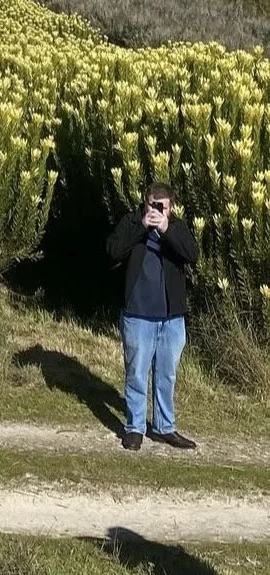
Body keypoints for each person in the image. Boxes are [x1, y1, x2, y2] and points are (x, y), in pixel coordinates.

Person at [107, 182, 199, 452]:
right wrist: (141, 226)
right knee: (136, 373)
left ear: (171, 208)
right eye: (152, 206)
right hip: (138, 314)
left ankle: (164, 427)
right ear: (144, 203)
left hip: (171, 317)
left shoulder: (177, 227)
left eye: (163, 207)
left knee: (166, 375)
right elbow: (112, 250)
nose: (157, 211)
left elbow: (192, 253)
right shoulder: (132, 222)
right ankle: (134, 427)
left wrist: (166, 229)